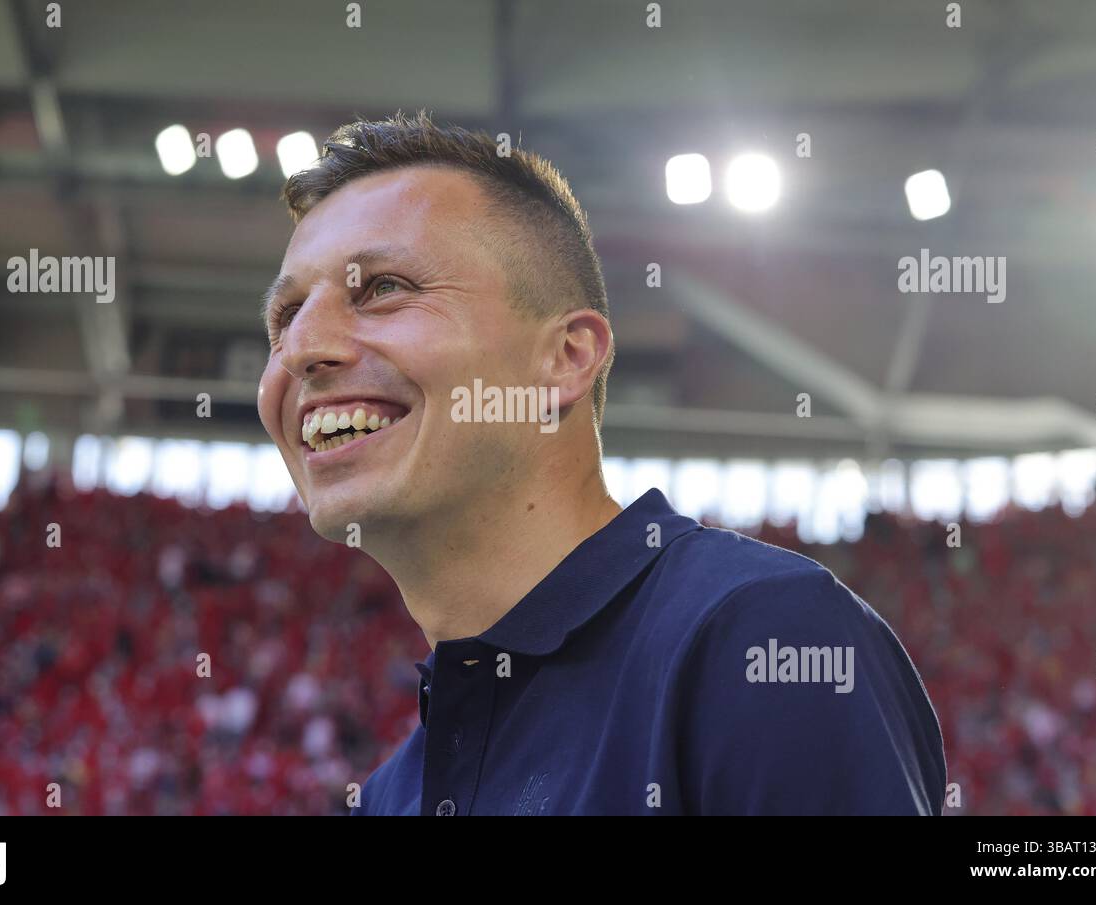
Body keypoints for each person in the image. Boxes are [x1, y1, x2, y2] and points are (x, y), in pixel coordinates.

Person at [256, 110, 945, 815]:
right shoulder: (387, 797)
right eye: (285, 317)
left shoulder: (758, 638)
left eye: (382, 288)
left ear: (566, 358)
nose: (302, 348)